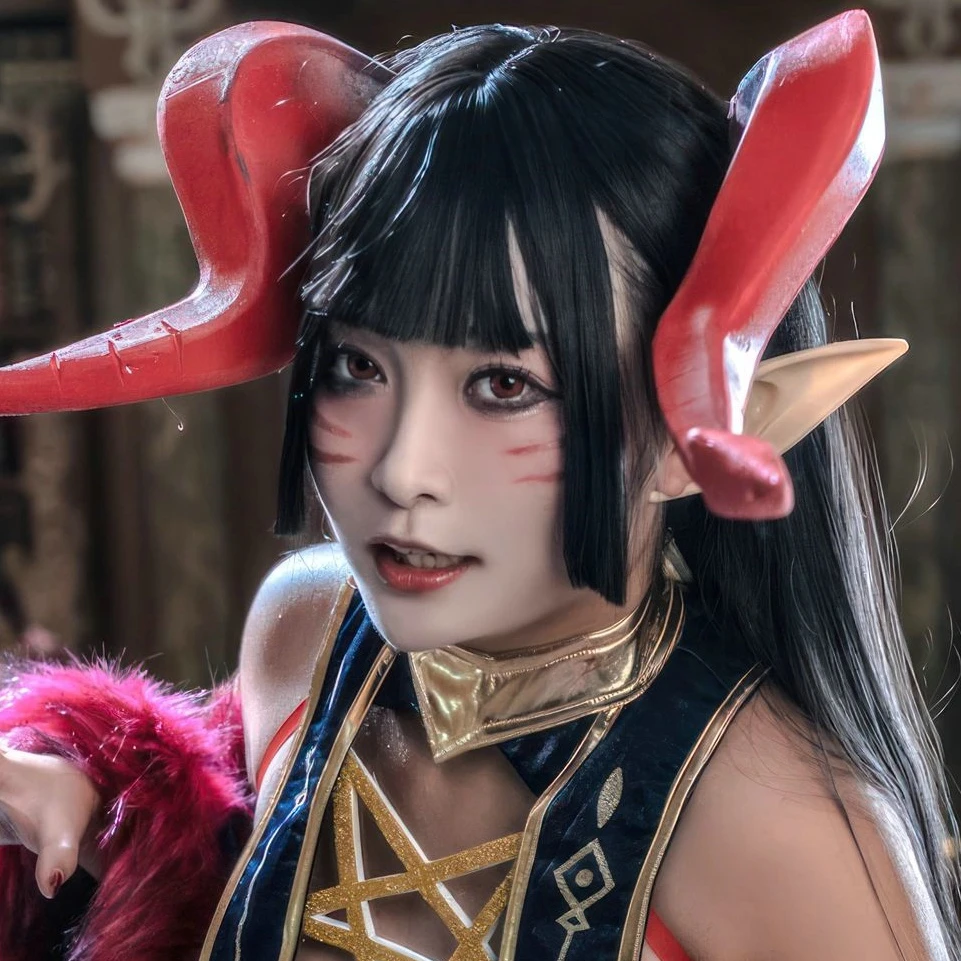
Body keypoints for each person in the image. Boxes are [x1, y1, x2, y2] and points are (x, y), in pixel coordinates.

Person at [0, 10, 958, 961]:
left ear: (689, 437)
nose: (400, 471)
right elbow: (200, 874)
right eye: (356, 368)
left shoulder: (784, 833)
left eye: (503, 386)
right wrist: (108, 817)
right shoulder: (307, 630)